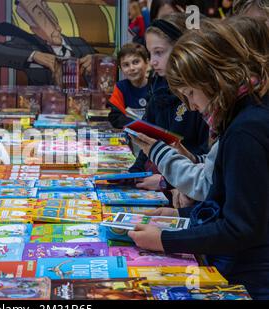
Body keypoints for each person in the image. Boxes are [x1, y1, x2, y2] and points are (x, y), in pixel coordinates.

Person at [128, 19, 269, 300]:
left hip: (253, 275)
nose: (191, 105)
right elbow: (235, 203)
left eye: (191, 94)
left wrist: (165, 240)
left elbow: (240, 227)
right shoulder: (244, 117)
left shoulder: (245, 130)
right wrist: (180, 216)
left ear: (212, 79)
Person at [127, 16, 269, 205]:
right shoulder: (234, 113)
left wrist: (165, 180)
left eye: (159, 52)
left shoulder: (244, 123)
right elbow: (216, 169)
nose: (191, 105)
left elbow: (213, 189)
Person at [128, 13, 209, 192]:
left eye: (159, 52)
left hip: (185, 186)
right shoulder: (158, 89)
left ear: (181, 48)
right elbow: (146, 141)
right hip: (161, 180)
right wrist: (133, 173)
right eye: (150, 53)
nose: (153, 61)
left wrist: (167, 181)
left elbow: (207, 159)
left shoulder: (199, 93)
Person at [0, 0, 97, 86]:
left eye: (48, 11)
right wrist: (34, 55)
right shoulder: (25, 44)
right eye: (40, 16)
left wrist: (98, 61)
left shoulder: (79, 43)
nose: (51, 21)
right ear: (33, 29)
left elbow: (112, 58)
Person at [108, 43, 150, 128]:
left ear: (147, 62)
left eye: (136, 62)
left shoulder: (156, 87)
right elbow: (115, 117)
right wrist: (139, 126)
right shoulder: (120, 87)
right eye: (126, 65)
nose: (131, 68)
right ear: (121, 69)